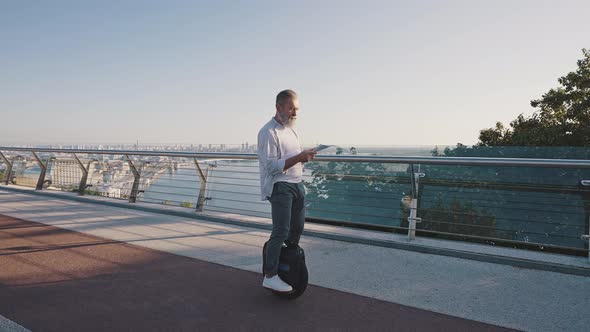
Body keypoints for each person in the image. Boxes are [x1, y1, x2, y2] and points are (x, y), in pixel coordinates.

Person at [257, 89, 317, 292]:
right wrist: (300, 157)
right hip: (280, 186)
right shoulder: (268, 132)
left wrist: (305, 156)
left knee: (296, 230)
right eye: (291, 107)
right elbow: (271, 166)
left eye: (296, 108)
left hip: (297, 183)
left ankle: (288, 266)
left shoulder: (291, 130)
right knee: (281, 231)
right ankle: (270, 275)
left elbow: (293, 157)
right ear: (278, 107)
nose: (295, 112)